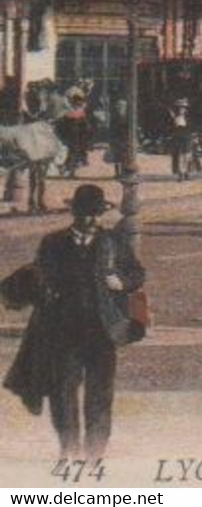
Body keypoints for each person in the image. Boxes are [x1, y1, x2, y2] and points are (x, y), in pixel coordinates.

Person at [4, 184, 146, 459]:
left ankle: (95, 454)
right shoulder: (53, 243)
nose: (91, 220)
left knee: (100, 396)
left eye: (96, 214)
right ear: (74, 213)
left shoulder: (113, 242)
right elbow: (41, 275)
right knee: (62, 393)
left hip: (103, 331)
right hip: (63, 331)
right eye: (85, 214)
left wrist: (122, 282)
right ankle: (68, 449)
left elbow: (137, 273)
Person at [168, 97, 196, 181]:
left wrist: (193, 136)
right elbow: (169, 128)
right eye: (180, 108)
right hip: (177, 138)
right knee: (178, 156)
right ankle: (180, 174)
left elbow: (192, 128)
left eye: (183, 108)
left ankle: (187, 172)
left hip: (187, 138)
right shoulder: (173, 118)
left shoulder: (189, 118)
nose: (182, 110)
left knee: (187, 156)